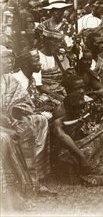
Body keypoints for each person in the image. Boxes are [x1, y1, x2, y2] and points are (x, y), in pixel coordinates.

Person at [1, 52, 53, 195]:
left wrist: (15, 112)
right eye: (5, 61)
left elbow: (21, 100)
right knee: (18, 134)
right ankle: (21, 183)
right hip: (2, 121)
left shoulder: (9, 79)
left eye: (11, 60)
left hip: (11, 117)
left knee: (38, 121)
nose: (10, 63)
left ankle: (35, 180)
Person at [53, 92, 103, 186]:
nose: (81, 110)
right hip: (70, 152)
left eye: (83, 107)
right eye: (77, 108)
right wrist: (82, 157)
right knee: (99, 137)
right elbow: (63, 138)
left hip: (85, 150)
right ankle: (93, 176)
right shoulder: (59, 122)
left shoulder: (83, 116)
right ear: (68, 109)